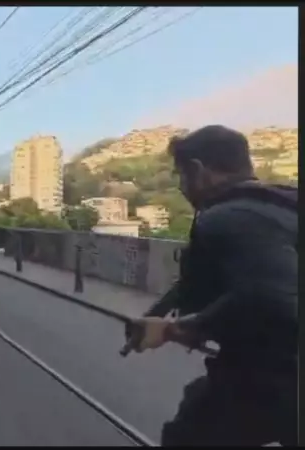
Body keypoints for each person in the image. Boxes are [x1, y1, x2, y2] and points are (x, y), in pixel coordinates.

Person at [123, 125, 298, 446]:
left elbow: (268, 297)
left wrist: (174, 329)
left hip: (275, 380)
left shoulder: (224, 216)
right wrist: (160, 312)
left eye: (181, 176)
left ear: (197, 170)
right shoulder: (282, 205)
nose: (182, 187)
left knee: (188, 434)